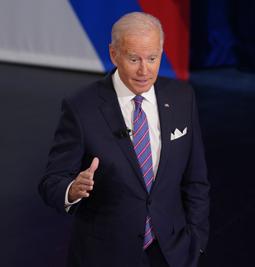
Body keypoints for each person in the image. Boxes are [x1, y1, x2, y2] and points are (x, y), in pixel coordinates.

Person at [38, 12, 210, 267]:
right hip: (105, 255)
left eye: (152, 58)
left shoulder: (182, 97)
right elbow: (51, 182)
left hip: (172, 253)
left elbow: (196, 180)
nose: (144, 70)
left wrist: (196, 243)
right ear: (113, 54)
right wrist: (72, 189)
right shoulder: (81, 107)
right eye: (133, 59)